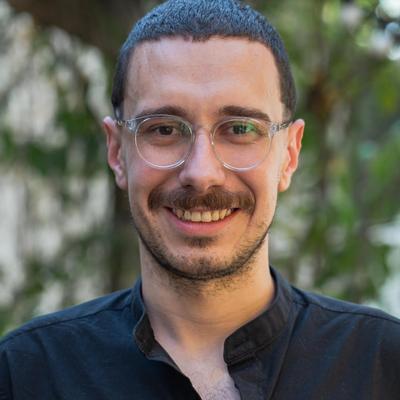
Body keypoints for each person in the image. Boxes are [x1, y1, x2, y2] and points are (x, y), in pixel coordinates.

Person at [1, 0, 399, 399]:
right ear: (117, 152)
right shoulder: (25, 375)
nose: (201, 173)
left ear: (289, 155)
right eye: (163, 129)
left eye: (240, 129)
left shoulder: (383, 365)